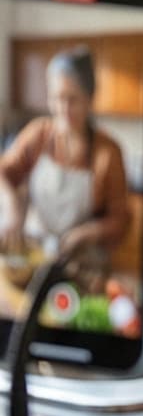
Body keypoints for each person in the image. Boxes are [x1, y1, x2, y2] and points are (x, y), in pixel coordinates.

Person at [0, 47, 130, 267]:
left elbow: (120, 220)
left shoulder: (108, 153)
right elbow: (3, 172)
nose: (63, 109)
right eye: (57, 98)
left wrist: (89, 232)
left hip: (81, 261)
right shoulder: (38, 133)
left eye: (72, 99)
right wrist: (11, 204)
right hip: (35, 252)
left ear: (89, 98)